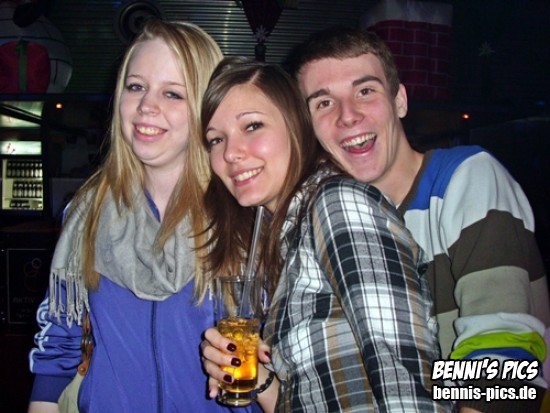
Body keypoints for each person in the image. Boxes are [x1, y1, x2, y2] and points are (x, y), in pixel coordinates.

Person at [283, 26, 550, 412]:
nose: (348, 116)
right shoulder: (333, 221)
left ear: (400, 101)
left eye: (365, 91)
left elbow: (505, 357)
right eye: (323, 102)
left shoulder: (465, 177)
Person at [198, 57, 453, 412]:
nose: (230, 153)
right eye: (216, 139)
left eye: (252, 126)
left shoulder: (338, 204)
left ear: (297, 126)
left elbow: (406, 384)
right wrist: (261, 379)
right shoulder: (285, 236)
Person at [27, 19, 257, 413]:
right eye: (135, 87)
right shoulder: (88, 211)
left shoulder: (243, 214)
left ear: (207, 107)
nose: (147, 106)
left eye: (172, 93)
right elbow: (60, 337)